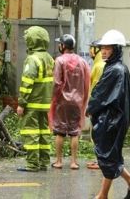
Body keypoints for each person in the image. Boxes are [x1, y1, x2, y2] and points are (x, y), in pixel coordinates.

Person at [87, 29, 130, 199]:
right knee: (112, 155)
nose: (103, 51)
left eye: (108, 48)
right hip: (117, 119)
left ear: (116, 49)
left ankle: (103, 194)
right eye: (103, 47)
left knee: (107, 155)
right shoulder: (120, 68)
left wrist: (90, 108)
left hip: (110, 120)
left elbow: (100, 95)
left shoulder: (114, 70)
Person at [49, 34, 90, 170]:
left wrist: (53, 98)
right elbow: (86, 82)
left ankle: (59, 161)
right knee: (74, 132)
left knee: (60, 131)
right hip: (77, 102)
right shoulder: (82, 61)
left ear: (63, 46)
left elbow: (56, 82)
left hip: (62, 101)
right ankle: (73, 162)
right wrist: (83, 99)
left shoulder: (59, 61)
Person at [16, 26, 54, 172]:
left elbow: (27, 82)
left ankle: (32, 164)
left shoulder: (32, 59)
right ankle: (44, 162)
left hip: (32, 103)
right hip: (44, 103)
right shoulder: (49, 58)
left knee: (31, 132)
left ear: (33, 41)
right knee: (43, 132)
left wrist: (21, 103)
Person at [87, 39, 105, 170]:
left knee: (97, 134)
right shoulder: (99, 64)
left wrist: (91, 106)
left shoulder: (99, 66)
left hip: (99, 106)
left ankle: (100, 161)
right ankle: (98, 160)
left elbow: (95, 89)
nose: (89, 51)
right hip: (101, 105)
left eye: (91, 48)